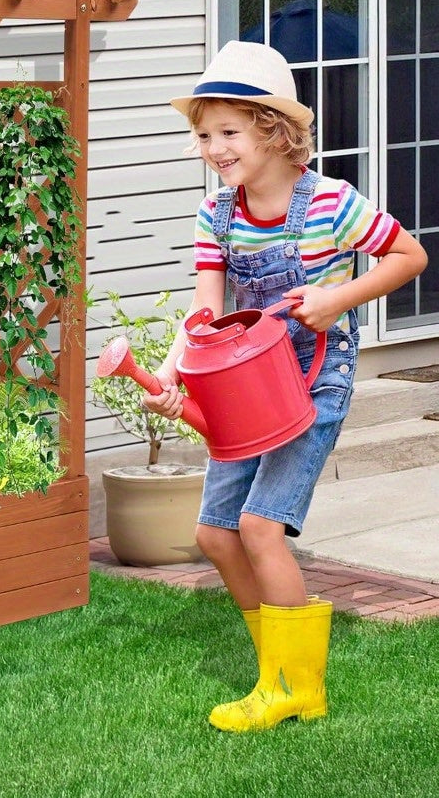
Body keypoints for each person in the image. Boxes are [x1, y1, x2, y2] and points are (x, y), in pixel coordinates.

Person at [146, 40, 428, 733]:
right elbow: (204, 312)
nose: (214, 148)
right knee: (216, 535)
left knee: (259, 526)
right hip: (243, 381)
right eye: (205, 135)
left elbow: (409, 255)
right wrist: (171, 373)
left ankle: (297, 687)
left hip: (315, 377)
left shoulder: (332, 203)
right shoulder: (217, 215)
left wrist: (336, 300)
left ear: (274, 131)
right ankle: (276, 670)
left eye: (228, 133)